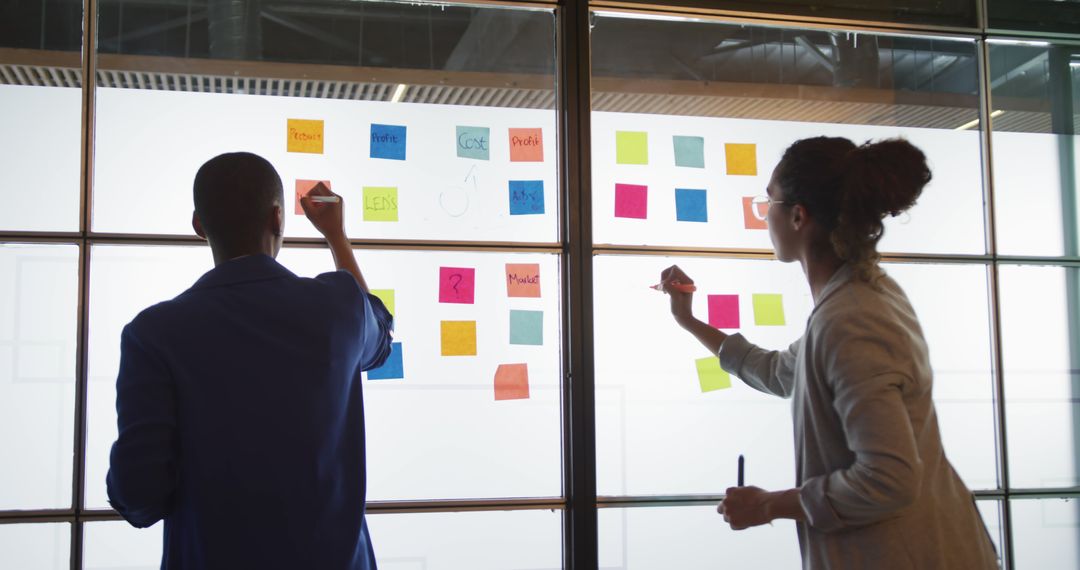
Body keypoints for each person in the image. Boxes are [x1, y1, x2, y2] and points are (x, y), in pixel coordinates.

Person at [659, 137, 999, 569]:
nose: (765, 216)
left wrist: (769, 505)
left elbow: (888, 481)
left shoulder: (850, 320)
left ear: (798, 216)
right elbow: (781, 372)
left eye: (769, 202)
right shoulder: (859, 296)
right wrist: (688, 320)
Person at [106, 152, 393, 569]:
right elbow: (381, 340)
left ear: (199, 226)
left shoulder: (153, 333)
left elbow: (139, 494)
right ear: (279, 219)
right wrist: (336, 235)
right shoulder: (338, 307)